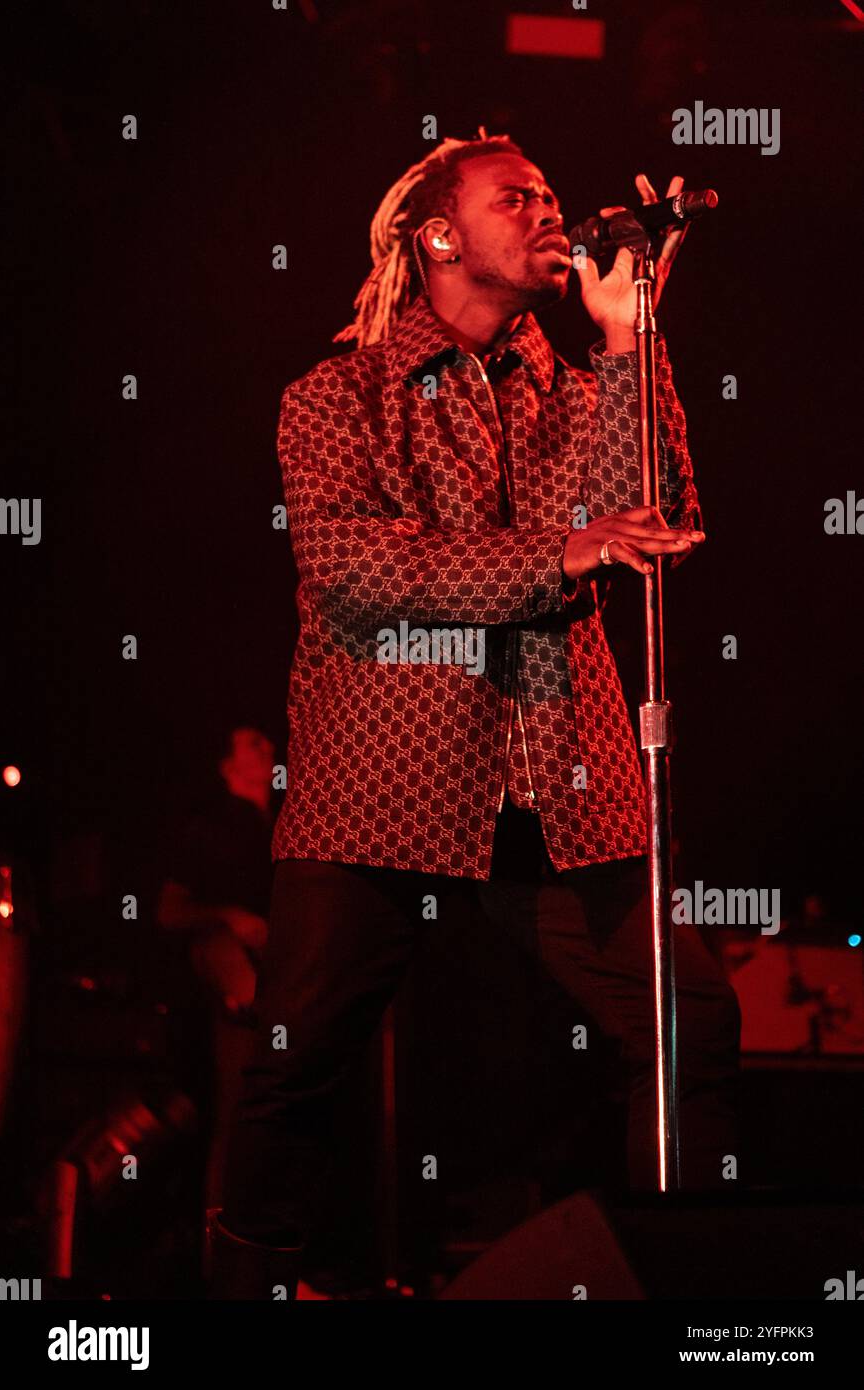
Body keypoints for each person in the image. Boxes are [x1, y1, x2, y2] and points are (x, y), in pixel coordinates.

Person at [211, 131, 741, 1299]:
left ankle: (695, 1286)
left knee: (687, 1021)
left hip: (555, 773)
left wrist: (626, 332)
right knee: (297, 1057)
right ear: (441, 235)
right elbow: (361, 571)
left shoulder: (570, 380)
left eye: (554, 195)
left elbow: (656, 519)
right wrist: (564, 547)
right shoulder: (335, 393)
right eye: (520, 198)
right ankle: (242, 1288)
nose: (552, 212)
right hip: (384, 783)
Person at [157, 725, 275, 1214]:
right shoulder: (208, 829)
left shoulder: (288, 824)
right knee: (239, 1114)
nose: (268, 746)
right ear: (228, 767)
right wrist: (230, 917)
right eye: (253, 744)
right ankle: (223, 1260)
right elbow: (168, 913)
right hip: (234, 980)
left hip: (281, 980)